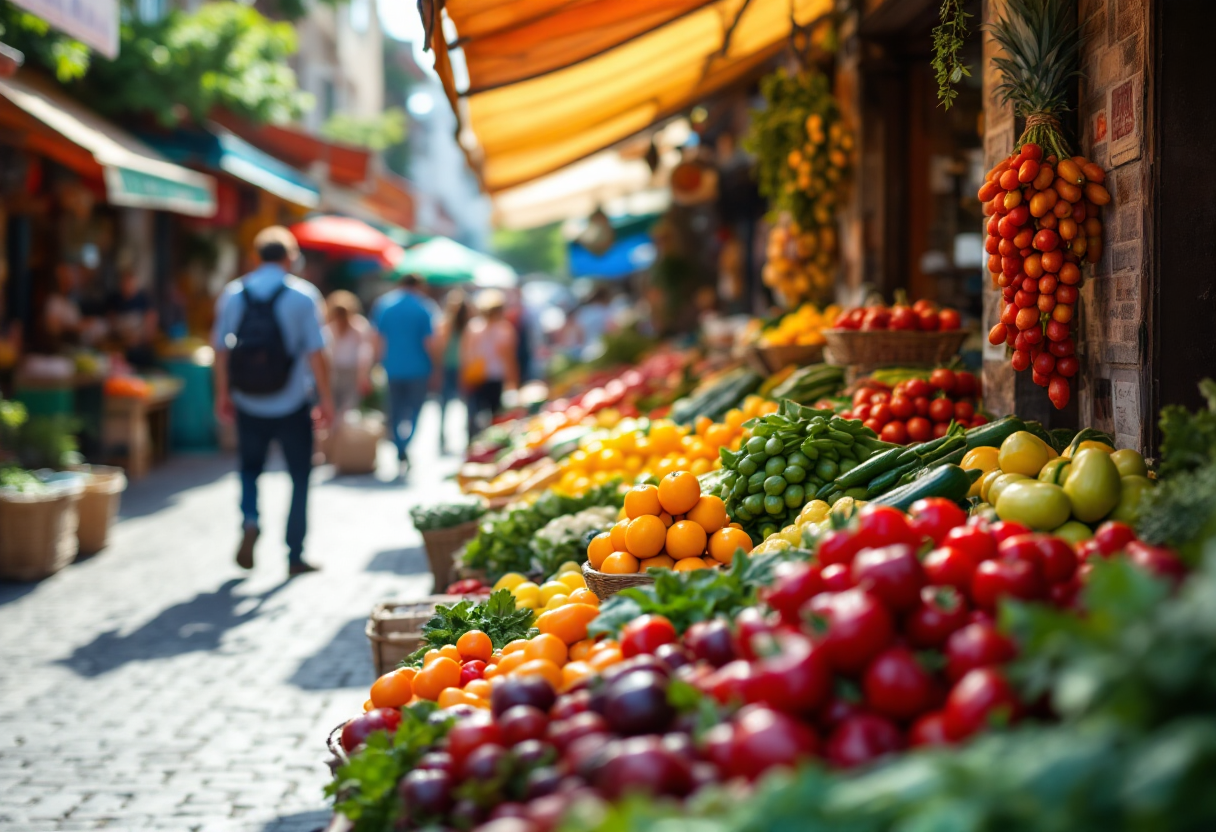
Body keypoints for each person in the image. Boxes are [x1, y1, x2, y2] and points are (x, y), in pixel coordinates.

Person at [212, 226, 333, 576]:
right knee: (299, 476)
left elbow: (220, 350)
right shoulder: (303, 296)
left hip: (248, 399)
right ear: (290, 257)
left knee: (250, 469)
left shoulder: (234, 293)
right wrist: (325, 399)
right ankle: (295, 554)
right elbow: (316, 353)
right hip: (293, 402)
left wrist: (223, 394)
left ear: (256, 256)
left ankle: (250, 519)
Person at [370, 273, 437, 472]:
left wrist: (375, 363)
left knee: (394, 411)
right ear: (419, 285)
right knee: (415, 411)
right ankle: (405, 444)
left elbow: (377, 338)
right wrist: (437, 367)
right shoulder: (424, 307)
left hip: (392, 367)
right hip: (418, 368)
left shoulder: (385, 304)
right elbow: (429, 342)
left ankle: (399, 445)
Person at [461, 289, 518, 440]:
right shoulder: (504, 329)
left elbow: (466, 355)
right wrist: (513, 381)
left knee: (476, 412)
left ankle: (474, 440)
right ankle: (487, 440)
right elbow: (509, 358)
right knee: (494, 413)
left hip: (478, 376)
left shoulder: (474, 327)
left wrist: (463, 377)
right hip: (493, 376)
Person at [324, 290, 373, 415]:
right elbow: (365, 354)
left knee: (336, 408)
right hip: (350, 371)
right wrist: (364, 376)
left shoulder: (329, 328)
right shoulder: (359, 326)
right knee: (348, 409)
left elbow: (326, 353)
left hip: (336, 371)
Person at [437, 291, 469, 454]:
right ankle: (442, 435)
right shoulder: (446, 324)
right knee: (445, 403)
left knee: (465, 404)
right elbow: (440, 347)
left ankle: (465, 435)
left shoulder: (467, 325)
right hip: (449, 367)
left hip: (462, 367)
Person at [107, 270, 159, 368]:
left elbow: (151, 319)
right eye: (125, 283)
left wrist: (143, 338)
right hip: (122, 341)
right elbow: (111, 321)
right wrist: (121, 337)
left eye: (130, 283)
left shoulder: (143, 298)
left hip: (141, 341)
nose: (127, 286)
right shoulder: (114, 299)